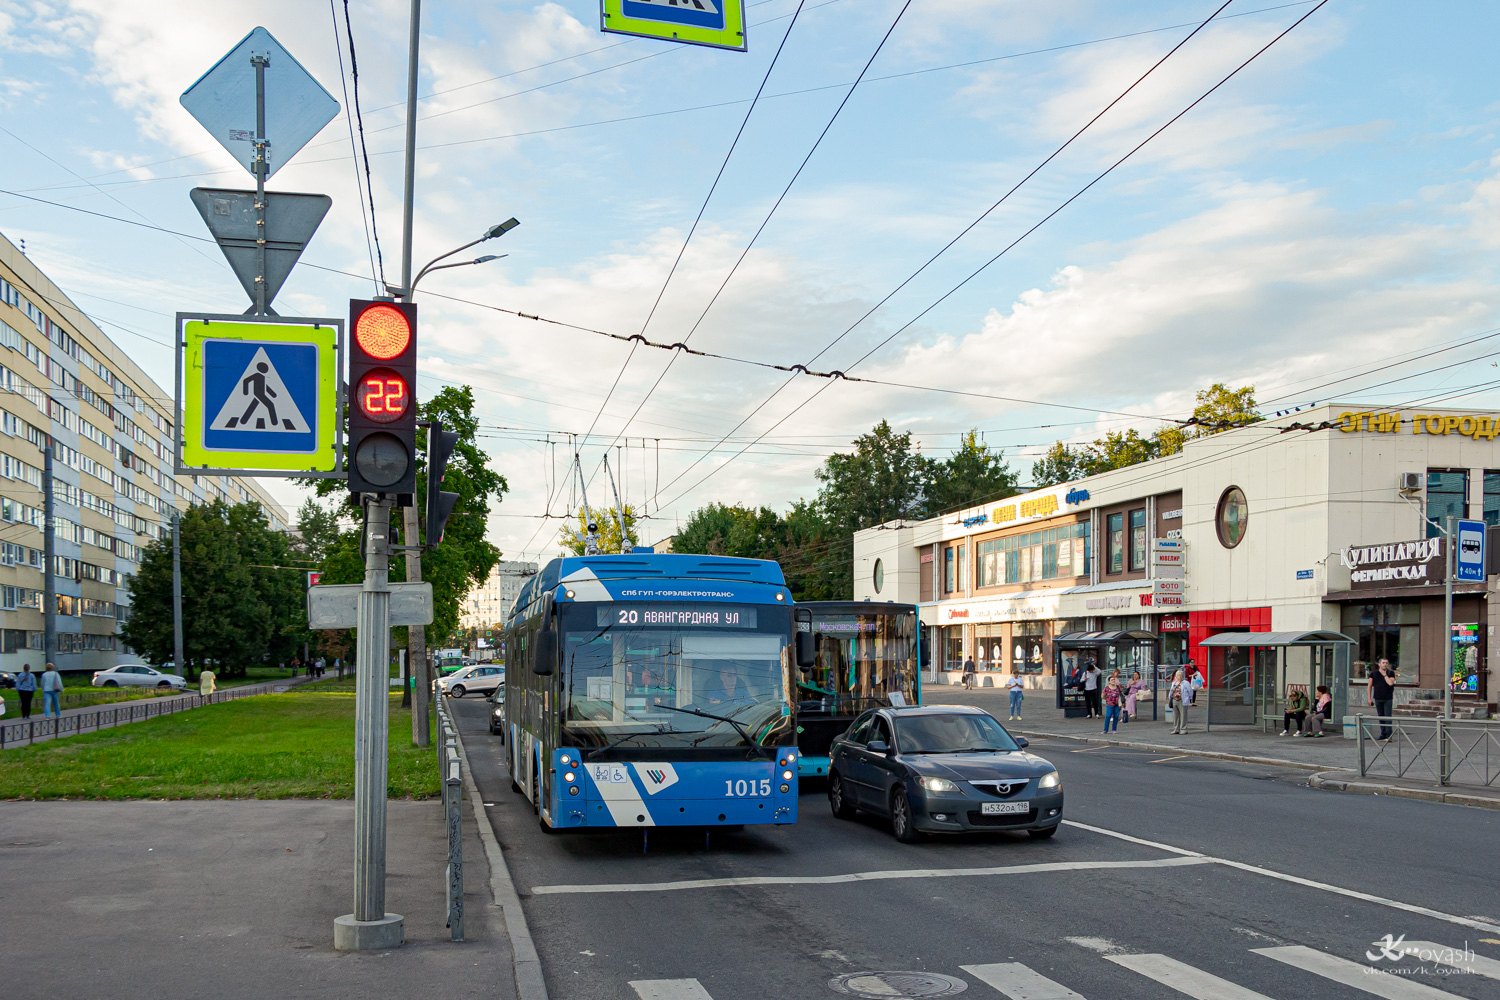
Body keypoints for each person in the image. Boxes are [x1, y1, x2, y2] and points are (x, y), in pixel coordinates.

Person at [1367, 658, 1395, 740]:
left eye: (1386, 663)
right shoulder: (1373, 674)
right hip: (1378, 697)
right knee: (1381, 716)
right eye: (1383, 663)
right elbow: (1369, 686)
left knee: (1388, 717)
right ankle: (1383, 734)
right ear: (1379, 664)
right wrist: (1369, 698)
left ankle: (1389, 735)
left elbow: (1390, 683)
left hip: (1387, 698)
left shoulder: (1390, 673)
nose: (1385, 664)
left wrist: (1385, 675)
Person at [1168, 668, 1192, 734]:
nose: (1180, 676)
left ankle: (1183, 729)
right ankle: (1176, 729)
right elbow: (1171, 691)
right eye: (1178, 675)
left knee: (1183, 715)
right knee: (1176, 716)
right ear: (1176, 676)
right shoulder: (1174, 683)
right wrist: (1170, 697)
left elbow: (1190, 691)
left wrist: (1189, 698)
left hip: (1182, 701)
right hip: (1175, 701)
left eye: (1181, 675)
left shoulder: (1186, 683)